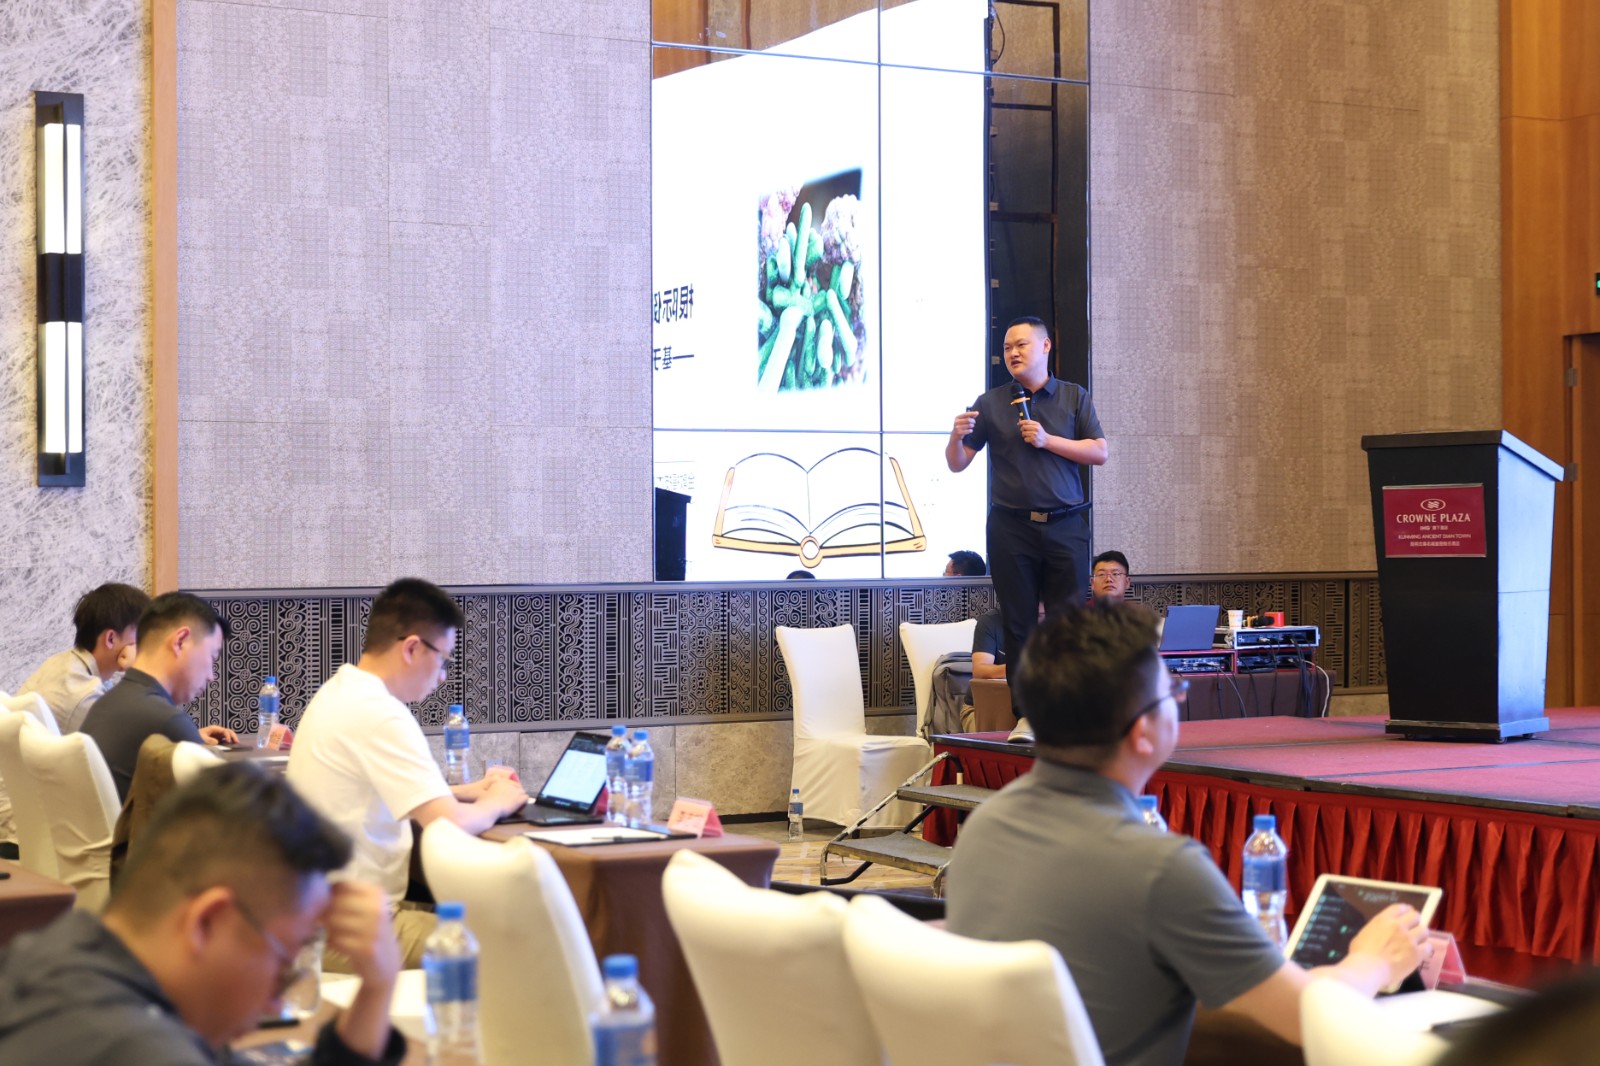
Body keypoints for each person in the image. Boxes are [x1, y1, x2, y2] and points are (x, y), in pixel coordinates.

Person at [945, 601, 1430, 1066]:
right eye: (1172, 693)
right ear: (1143, 731)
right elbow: (1308, 1020)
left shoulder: (988, 823)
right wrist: (1374, 960)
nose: (1178, 703)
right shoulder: (1160, 868)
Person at [0, 761, 403, 1065]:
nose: (275, 1006)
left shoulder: (58, 953)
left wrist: (376, 988)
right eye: (283, 968)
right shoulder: (137, 1049)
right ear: (207, 922)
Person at [286, 578, 529, 968]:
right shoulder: (381, 714)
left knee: (486, 923)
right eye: (444, 659)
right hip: (348, 932)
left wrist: (469, 790)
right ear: (412, 647)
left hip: (312, 917)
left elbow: (380, 791)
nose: (444, 675)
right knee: (517, 948)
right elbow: (447, 825)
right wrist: (498, 802)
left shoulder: (340, 690)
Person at [946, 316, 1107, 705]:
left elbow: (1099, 451)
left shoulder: (1073, 397)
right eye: (1007, 348)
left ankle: (1065, 710)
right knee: (1018, 624)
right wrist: (955, 437)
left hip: (1066, 524)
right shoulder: (990, 403)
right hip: (1011, 527)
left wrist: (1048, 440)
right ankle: (1026, 715)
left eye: (1021, 345)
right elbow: (957, 463)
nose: (1013, 353)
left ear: (1046, 346)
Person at [81, 592, 238, 802]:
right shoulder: (166, 721)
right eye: (212, 656)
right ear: (180, 641)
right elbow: (226, 808)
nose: (211, 675)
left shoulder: (108, 702)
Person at [17, 582, 151, 733]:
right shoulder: (86, 695)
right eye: (140, 633)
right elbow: (137, 735)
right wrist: (141, 671)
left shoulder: (60, 662)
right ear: (110, 639)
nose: (145, 642)